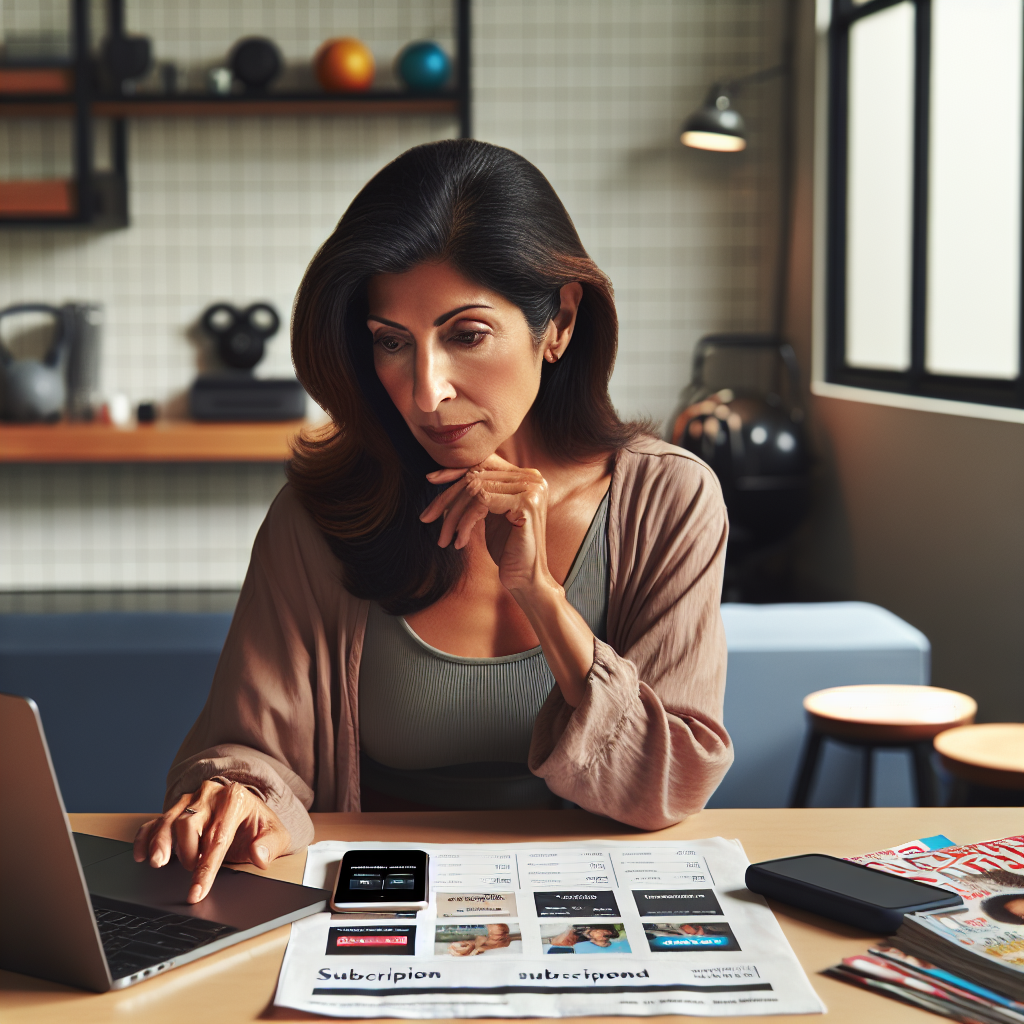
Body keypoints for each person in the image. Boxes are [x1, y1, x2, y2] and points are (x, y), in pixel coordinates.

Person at [133, 139, 733, 904]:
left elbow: (669, 782)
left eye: (466, 334)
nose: (425, 391)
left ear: (561, 323)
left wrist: (541, 596)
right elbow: (251, 750)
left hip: (584, 914)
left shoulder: (668, 500)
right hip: (373, 913)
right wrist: (240, 794)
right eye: (392, 343)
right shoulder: (321, 513)